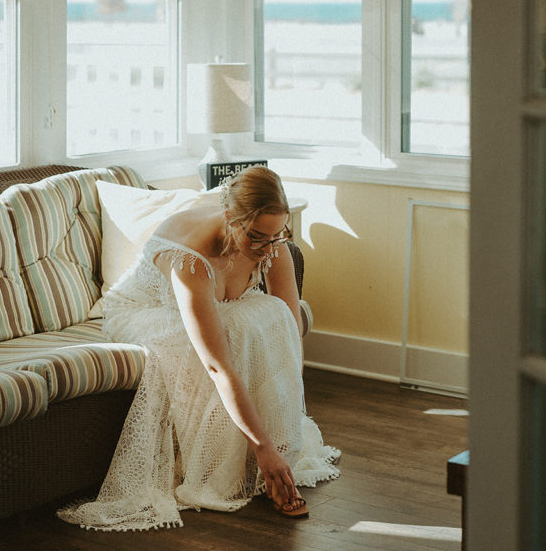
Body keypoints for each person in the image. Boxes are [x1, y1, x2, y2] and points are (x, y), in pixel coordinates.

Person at [58, 166, 340, 532]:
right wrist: (263, 447)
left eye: (276, 236)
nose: (266, 249)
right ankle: (225, 466)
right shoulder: (191, 259)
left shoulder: (272, 244)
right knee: (234, 328)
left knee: (269, 315)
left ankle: (266, 461)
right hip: (143, 314)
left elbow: (289, 330)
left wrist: (289, 415)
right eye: (256, 237)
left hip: (208, 312)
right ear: (230, 219)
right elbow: (218, 366)